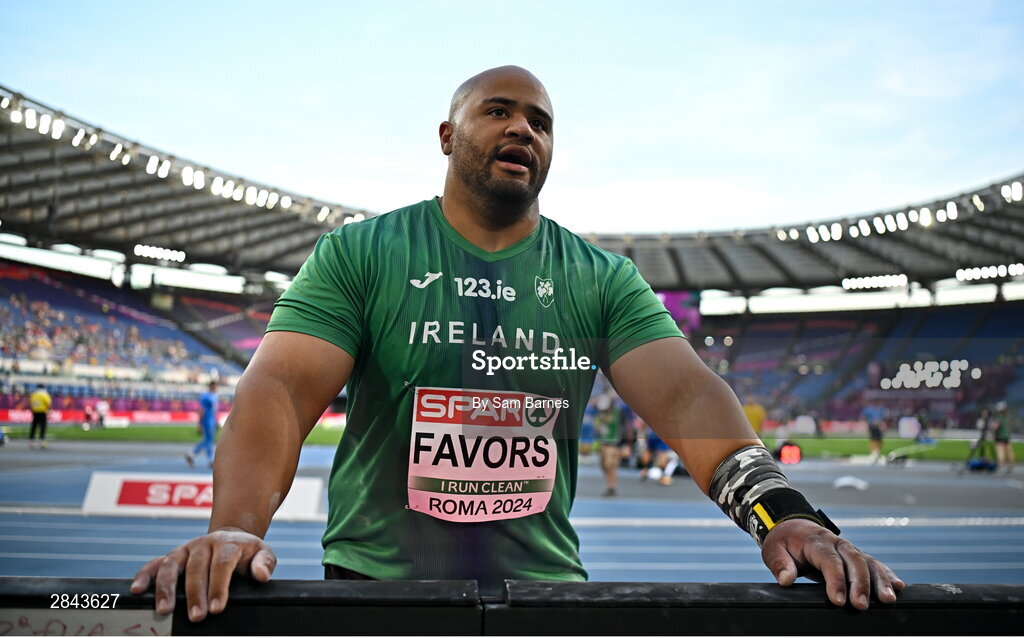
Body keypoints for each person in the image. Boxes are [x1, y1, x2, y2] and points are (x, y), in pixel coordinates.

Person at [132, 66, 903, 622]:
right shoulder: (361, 254)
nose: (522, 129)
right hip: (377, 592)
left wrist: (783, 513)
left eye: (540, 121)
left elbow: (688, 396)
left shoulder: (600, 278)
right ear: (447, 136)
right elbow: (280, 388)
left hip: (546, 594)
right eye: (498, 111)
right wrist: (235, 529)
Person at [593, 392, 622, 497]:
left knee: (610, 465)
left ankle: (611, 487)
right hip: (603, 443)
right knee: (604, 466)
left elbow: (624, 426)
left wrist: (626, 445)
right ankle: (609, 486)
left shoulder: (617, 412)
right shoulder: (599, 414)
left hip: (613, 444)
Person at [185, 382, 219, 468]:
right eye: (214, 387)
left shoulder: (215, 396)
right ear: (210, 386)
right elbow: (201, 410)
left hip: (212, 421)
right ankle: (210, 460)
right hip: (206, 421)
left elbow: (214, 411)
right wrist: (200, 424)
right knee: (208, 441)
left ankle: (191, 454)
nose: (215, 388)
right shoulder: (205, 396)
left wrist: (216, 421)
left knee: (207, 441)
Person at [992, 401, 1016, 474]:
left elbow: (996, 426)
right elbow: (1010, 426)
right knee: (1009, 450)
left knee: (1000, 451)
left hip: (1000, 436)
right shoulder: (1007, 417)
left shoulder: (999, 417)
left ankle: (1001, 466)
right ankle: (1011, 465)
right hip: (1007, 436)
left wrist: (992, 427)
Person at [28, 383, 51, 449]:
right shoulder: (45, 394)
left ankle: (31, 442)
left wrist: (33, 410)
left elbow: (31, 403)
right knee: (42, 427)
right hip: (42, 412)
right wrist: (49, 411)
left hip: (35, 412)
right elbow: (48, 403)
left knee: (34, 427)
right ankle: (42, 442)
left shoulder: (33, 394)